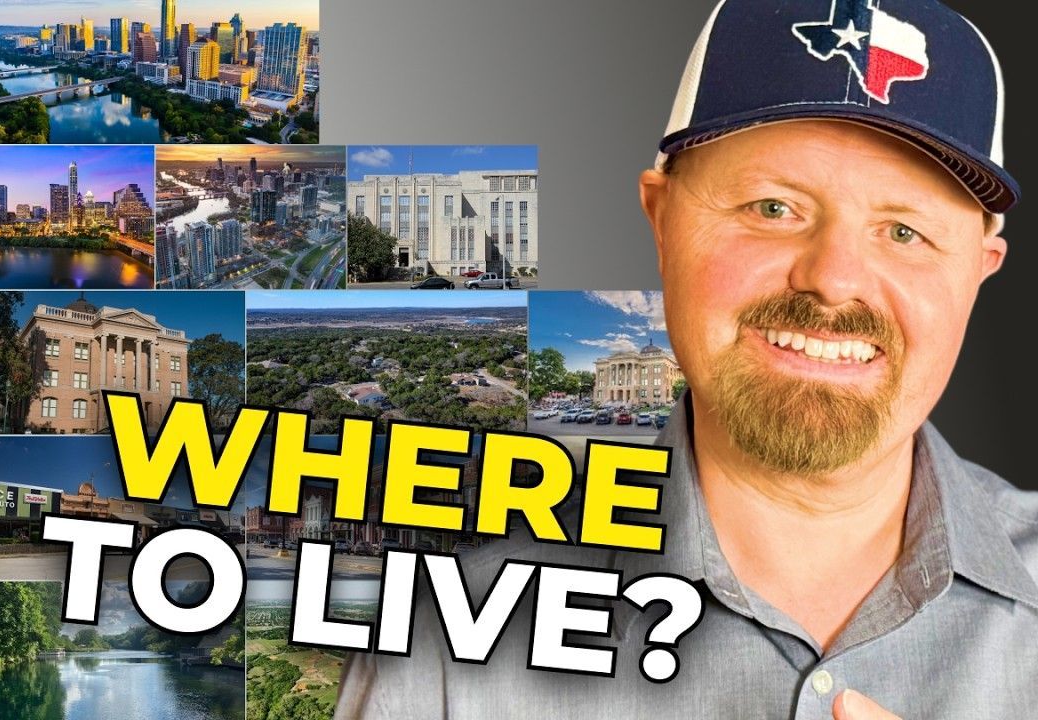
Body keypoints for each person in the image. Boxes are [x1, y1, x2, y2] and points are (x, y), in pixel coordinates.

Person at [335, 0, 1036, 718]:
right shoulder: (449, 616)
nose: (834, 278)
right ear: (661, 219)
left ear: (980, 268)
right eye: (772, 207)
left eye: (904, 229)